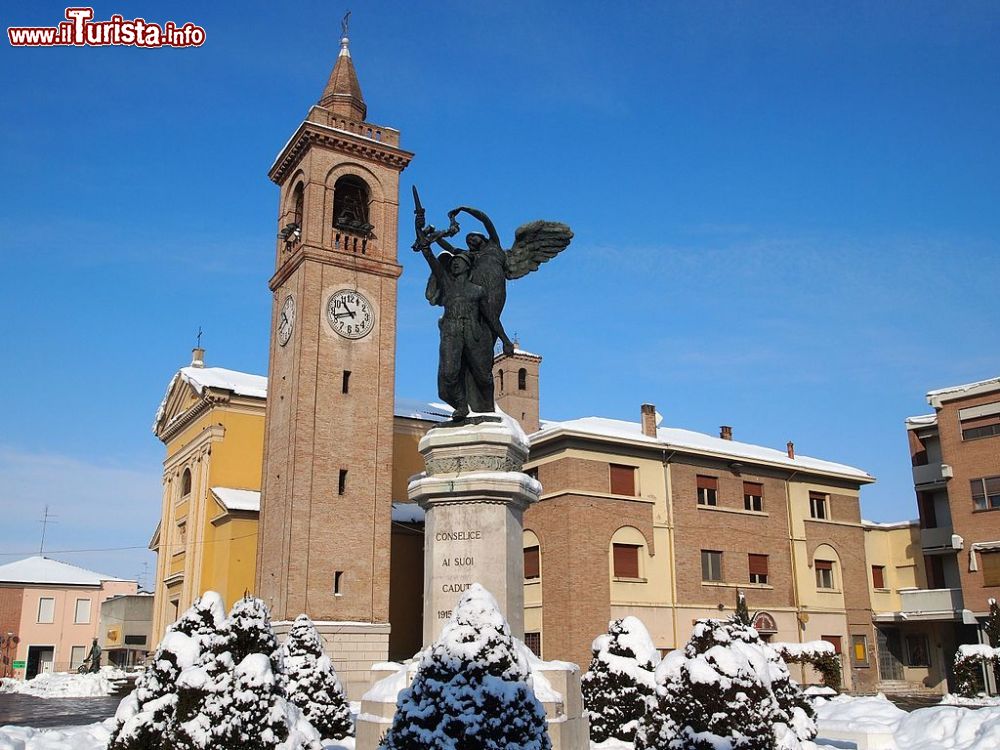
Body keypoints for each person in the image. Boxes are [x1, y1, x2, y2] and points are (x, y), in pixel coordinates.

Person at [418, 244, 514, 419]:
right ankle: (461, 405)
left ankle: (487, 410)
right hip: (451, 333)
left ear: (467, 266)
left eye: (459, 261)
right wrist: (425, 246)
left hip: (473, 334)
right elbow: (433, 262)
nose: (455, 264)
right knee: (448, 374)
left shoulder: (478, 291)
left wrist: (505, 340)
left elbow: (492, 318)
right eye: (453, 262)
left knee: (483, 376)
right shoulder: (447, 285)